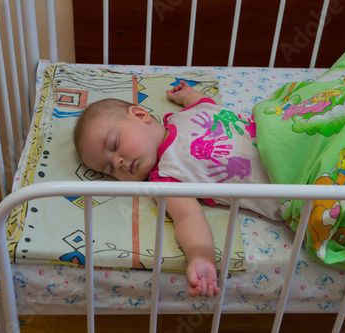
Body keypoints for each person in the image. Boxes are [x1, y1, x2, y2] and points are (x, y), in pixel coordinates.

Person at [74, 81, 282, 298]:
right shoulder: (165, 179)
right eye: (109, 169)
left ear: (139, 114)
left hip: (279, 131)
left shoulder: (185, 115)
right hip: (289, 180)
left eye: (114, 145)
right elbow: (188, 217)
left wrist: (187, 95)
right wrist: (200, 256)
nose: (117, 163)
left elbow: (204, 103)